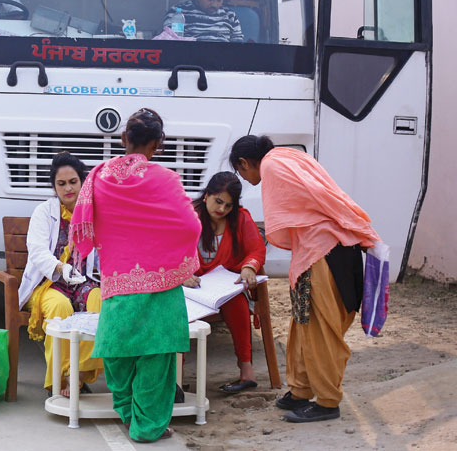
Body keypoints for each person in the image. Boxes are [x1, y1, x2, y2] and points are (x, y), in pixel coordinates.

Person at [229, 135, 382, 424]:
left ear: (244, 162)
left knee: (320, 329)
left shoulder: (273, 166)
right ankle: (300, 390)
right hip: (323, 251)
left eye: (242, 172)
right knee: (302, 324)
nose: (246, 179)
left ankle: (327, 401)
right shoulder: (290, 157)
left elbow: (316, 200)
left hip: (323, 253)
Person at [69, 108, 200, 443]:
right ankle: (149, 426)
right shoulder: (165, 179)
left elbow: (84, 223)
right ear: (157, 144)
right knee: (156, 356)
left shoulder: (97, 177)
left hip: (117, 281)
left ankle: (129, 415)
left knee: (118, 352)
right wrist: (168, 254)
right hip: (161, 283)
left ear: (124, 138)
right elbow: (190, 225)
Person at [16, 151, 101, 398]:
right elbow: (38, 251)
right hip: (48, 284)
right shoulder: (44, 212)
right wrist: (61, 268)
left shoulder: (93, 213)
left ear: (82, 182)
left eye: (73, 182)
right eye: (61, 184)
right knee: (60, 308)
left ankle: (80, 374)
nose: (68, 188)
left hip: (82, 282)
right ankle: (58, 377)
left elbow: (107, 249)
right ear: (54, 187)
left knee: (99, 302)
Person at [186, 171, 266, 394]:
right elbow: (168, 249)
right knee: (177, 313)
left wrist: (249, 266)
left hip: (222, 290)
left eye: (228, 206)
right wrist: (181, 273)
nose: (221, 209)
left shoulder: (240, 218)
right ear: (207, 195)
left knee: (237, 304)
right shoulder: (188, 216)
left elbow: (257, 249)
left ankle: (246, 372)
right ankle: (175, 381)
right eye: (218, 201)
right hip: (191, 288)